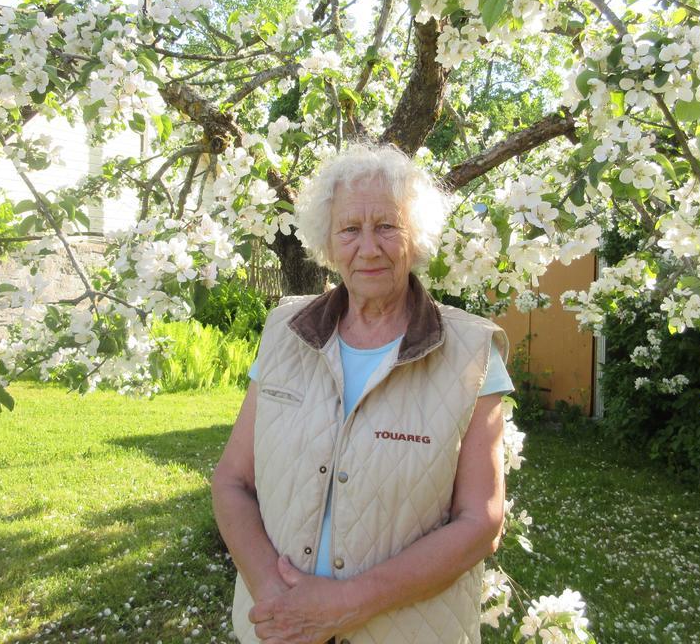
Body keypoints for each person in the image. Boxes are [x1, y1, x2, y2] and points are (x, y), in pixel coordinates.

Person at [211, 145, 513, 644]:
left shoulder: (472, 352)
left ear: (415, 239)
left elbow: (481, 521)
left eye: (387, 227)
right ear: (328, 244)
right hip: (278, 629)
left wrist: (343, 607)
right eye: (350, 230)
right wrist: (275, 596)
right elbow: (232, 482)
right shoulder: (284, 330)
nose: (368, 248)